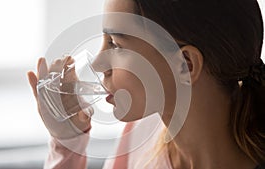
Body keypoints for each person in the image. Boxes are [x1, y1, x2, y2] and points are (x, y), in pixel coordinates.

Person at [27, 0, 265, 168]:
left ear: (185, 65)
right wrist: (66, 142)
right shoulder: (140, 137)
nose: (98, 63)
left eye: (116, 45)